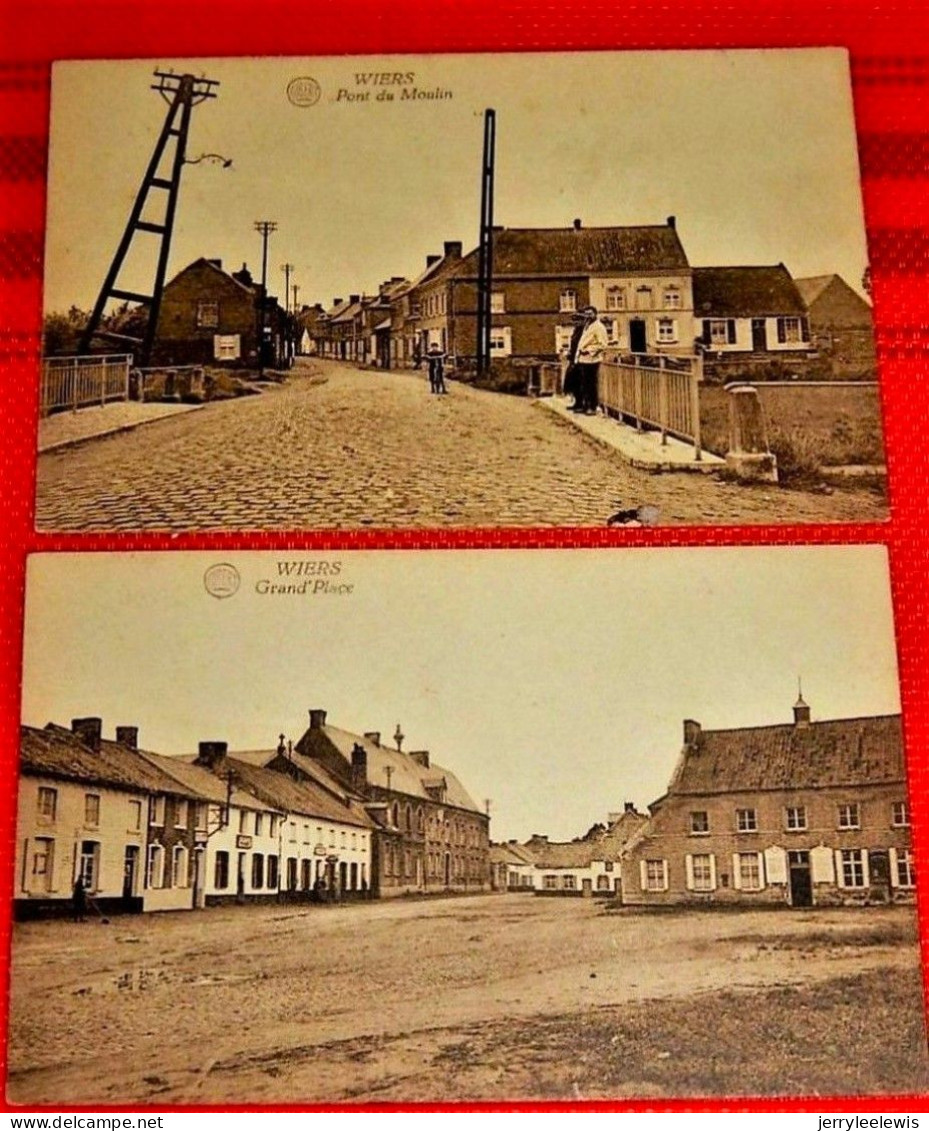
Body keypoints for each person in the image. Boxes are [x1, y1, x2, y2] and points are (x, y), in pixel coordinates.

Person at [574, 306, 609, 414]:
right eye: (586, 314)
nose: (588, 316)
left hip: (592, 359)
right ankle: (585, 405)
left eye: (590, 314)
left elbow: (603, 344)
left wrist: (589, 350)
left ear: (595, 314)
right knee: (584, 383)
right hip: (583, 360)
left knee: (591, 384)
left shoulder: (599, 327)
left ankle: (592, 407)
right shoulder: (587, 326)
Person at [562, 311, 586, 410]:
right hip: (573, 359)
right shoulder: (576, 331)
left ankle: (582, 404)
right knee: (573, 382)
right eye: (575, 320)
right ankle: (577, 402)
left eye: (578, 320)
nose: (576, 322)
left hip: (580, 360)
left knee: (580, 382)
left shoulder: (584, 332)